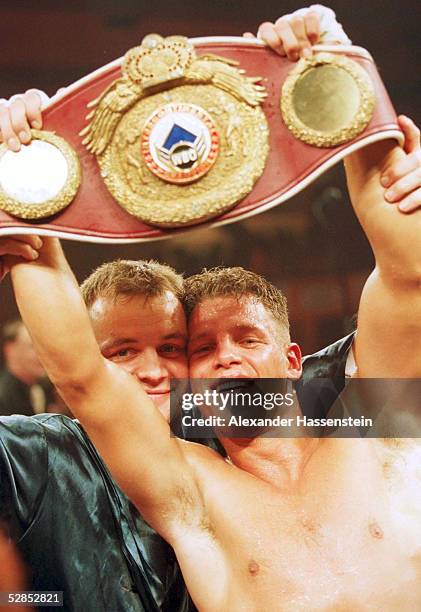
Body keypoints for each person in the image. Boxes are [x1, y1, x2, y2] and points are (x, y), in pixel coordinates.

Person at [0, 318, 53, 416]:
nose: (43, 354)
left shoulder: (45, 388)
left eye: (44, 346)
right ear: (10, 350)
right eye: (32, 346)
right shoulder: (3, 396)